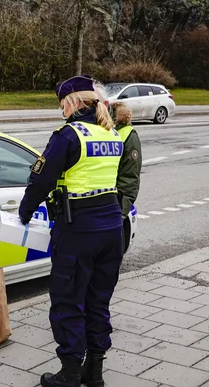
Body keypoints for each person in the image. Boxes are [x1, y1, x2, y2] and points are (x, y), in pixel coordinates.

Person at [18, 74, 123, 387]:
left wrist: (24, 213)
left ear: (74, 102)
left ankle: (70, 373)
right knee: (98, 301)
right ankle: (95, 372)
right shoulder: (112, 133)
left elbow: (41, 180)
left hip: (78, 230)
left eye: (62, 105)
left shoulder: (68, 135)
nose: (61, 111)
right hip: (111, 227)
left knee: (68, 301)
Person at [110, 101, 142, 251]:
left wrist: (121, 213)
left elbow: (129, 178)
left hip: (115, 203)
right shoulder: (110, 131)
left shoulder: (129, 136)